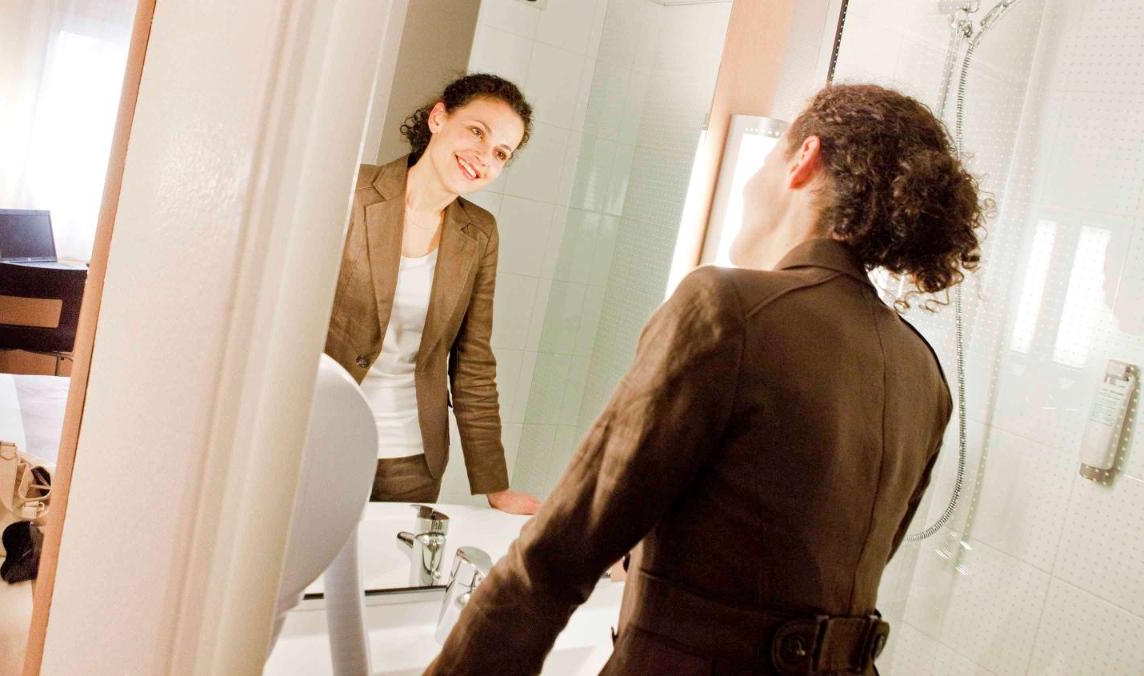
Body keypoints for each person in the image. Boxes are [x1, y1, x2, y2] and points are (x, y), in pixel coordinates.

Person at [427, 83, 985, 674]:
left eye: (771, 156)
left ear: (804, 159)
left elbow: (557, 556)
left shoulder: (728, 306)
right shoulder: (923, 371)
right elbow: (803, 565)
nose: (751, 184)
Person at [326, 73, 540, 514]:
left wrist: (496, 488)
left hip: (409, 462)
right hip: (318, 434)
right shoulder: (351, 191)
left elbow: (473, 363)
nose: (484, 156)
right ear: (439, 117)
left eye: (501, 153)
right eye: (477, 132)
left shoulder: (480, 234)